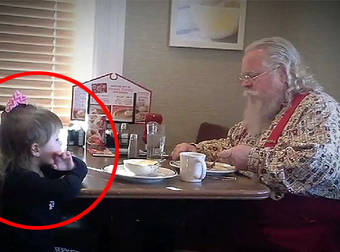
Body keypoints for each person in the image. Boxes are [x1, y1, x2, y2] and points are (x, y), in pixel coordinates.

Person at [171, 37, 340, 251]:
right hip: (258, 212)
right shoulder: (269, 108)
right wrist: (196, 150)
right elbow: (231, 143)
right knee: (176, 217)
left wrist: (252, 159)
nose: (245, 83)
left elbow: (316, 164)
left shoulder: (318, 107)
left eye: (252, 76)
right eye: (243, 76)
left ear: (283, 73)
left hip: (300, 225)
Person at [0, 91, 88, 251]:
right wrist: (73, 171)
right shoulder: (21, 180)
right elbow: (67, 190)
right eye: (56, 139)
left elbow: (79, 165)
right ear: (36, 149)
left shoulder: (41, 168)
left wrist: (69, 166)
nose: (60, 143)